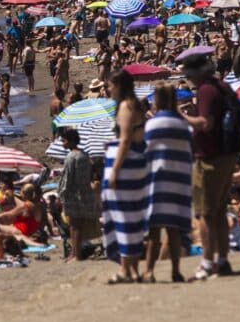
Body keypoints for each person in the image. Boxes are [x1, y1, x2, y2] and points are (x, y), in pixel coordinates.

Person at [179, 54, 236, 280]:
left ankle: (207, 263)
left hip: (210, 156)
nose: (188, 79)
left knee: (204, 213)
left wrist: (182, 115)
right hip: (226, 153)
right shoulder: (222, 86)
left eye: (188, 74)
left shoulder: (206, 90)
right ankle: (222, 261)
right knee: (220, 211)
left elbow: (205, 124)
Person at [143, 82, 193, 283]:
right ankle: (175, 270)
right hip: (179, 179)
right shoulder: (182, 124)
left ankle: (149, 271)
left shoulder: (153, 123)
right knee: (174, 229)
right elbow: (190, 151)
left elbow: (144, 152)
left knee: (154, 231)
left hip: (157, 180)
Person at [101, 69, 148, 283]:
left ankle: (126, 270)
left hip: (126, 167)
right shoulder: (133, 105)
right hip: (132, 163)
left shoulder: (126, 106)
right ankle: (131, 270)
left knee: (123, 217)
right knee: (131, 217)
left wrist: (115, 171)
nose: (107, 89)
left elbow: (126, 140)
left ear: (119, 86)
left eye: (109, 86)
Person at [57, 129, 97, 262]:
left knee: (74, 226)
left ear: (69, 141)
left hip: (73, 195)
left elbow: (67, 180)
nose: (62, 143)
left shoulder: (70, 157)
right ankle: (75, 254)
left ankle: (76, 254)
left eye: (63, 140)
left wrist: (61, 195)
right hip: (85, 193)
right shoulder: (85, 155)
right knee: (78, 225)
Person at [0, 183, 44, 259]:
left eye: (21, 192)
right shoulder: (37, 203)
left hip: (24, 229)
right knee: (7, 224)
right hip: (32, 228)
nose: (20, 194)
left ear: (25, 194)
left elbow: (10, 214)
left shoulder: (25, 205)